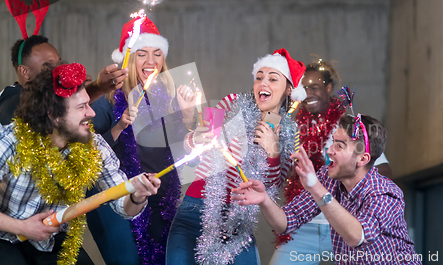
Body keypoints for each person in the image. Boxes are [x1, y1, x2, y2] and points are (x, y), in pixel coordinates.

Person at [0, 63, 160, 265]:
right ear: (53, 114)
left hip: (51, 241)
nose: (92, 113)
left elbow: (123, 207)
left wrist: (137, 196)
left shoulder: (94, 146)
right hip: (5, 236)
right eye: (81, 107)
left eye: (89, 104)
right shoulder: (10, 142)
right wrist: (21, 227)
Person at [166, 48, 306, 265]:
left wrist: (273, 152)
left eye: (272, 78)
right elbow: (195, 151)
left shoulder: (288, 132)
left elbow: (270, 187)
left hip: (237, 223)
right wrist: (193, 134)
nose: (263, 83)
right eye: (259, 77)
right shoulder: (232, 104)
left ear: (288, 89)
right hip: (196, 211)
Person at [233, 114, 421, 265]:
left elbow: (357, 236)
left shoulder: (385, 193)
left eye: (339, 145)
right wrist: (265, 200)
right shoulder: (328, 177)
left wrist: (315, 187)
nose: (329, 150)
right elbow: (285, 223)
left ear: (362, 159)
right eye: (333, 142)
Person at [86, 14, 197, 265]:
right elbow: (86, 150)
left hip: (161, 200)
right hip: (116, 202)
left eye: (157, 53)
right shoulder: (108, 100)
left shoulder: (172, 97)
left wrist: (188, 117)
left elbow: (189, 162)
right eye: (142, 53)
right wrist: (120, 125)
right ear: (128, 57)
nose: (150, 61)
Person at [270, 60, 393, 264]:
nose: (309, 93)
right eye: (304, 88)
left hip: (344, 223)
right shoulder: (291, 129)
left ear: (328, 88)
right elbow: (280, 173)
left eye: (315, 87)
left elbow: (383, 169)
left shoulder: (349, 128)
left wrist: (351, 193)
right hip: (303, 226)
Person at [0, 35, 128, 125]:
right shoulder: (12, 100)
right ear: (24, 72)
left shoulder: (46, 97)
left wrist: (98, 87)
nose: (59, 68)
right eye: (49, 65)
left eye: (59, 62)